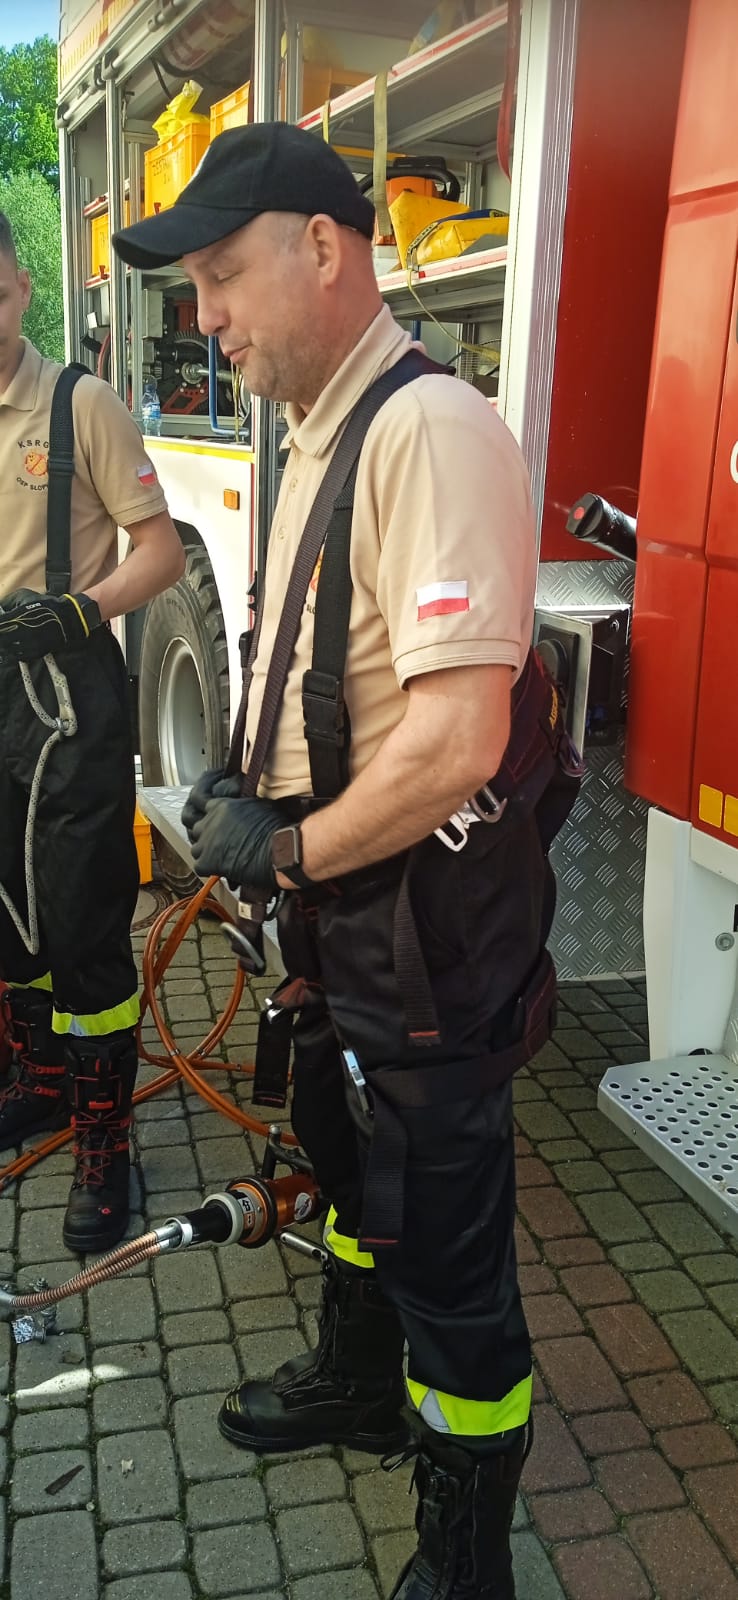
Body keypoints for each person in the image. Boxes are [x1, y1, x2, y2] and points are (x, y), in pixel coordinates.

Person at [114, 124, 578, 1600]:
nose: (205, 319)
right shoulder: (325, 422)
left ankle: (467, 1551)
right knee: (350, 1169)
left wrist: (291, 842)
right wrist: (250, 792)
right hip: (345, 922)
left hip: (425, 930)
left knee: (446, 1246)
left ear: (323, 248)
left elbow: (454, 740)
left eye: (221, 276)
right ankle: (366, 1383)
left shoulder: (428, 428)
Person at [0, 213, 185, 1254]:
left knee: (80, 925)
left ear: (23, 288)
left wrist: (82, 609)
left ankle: (106, 1143)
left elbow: (161, 552)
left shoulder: (82, 404)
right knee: (8, 917)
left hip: (66, 693)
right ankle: (38, 1080)